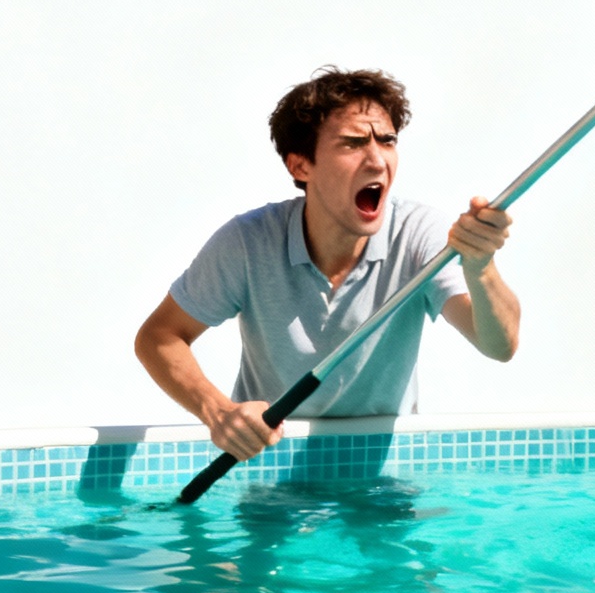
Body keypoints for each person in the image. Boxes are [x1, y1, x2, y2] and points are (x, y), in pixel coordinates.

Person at [134, 66, 518, 460]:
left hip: (379, 480)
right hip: (269, 471)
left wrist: (481, 268)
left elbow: (499, 345)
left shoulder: (420, 234)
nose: (377, 160)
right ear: (301, 166)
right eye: (353, 143)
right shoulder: (247, 242)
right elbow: (159, 336)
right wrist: (217, 412)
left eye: (387, 141)